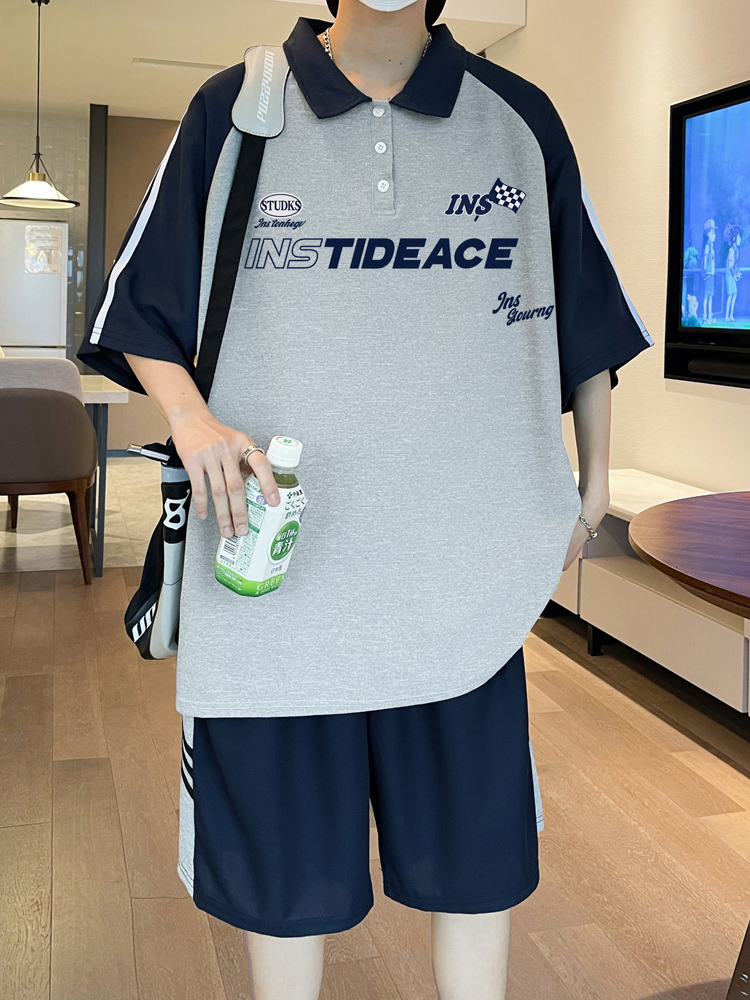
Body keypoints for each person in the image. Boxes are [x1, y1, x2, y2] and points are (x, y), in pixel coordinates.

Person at [78, 1, 654, 997]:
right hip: (274, 581)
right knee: (283, 886)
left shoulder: (517, 117)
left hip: (461, 579)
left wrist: (593, 482)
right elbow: (139, 304)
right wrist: (191, 417)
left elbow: (583, 311)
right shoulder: (237, 106)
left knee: (476, 871)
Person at [724, 222, 742, 322]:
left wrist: (738, 272)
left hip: (732, 274)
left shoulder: (736, 250)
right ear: (734, 238)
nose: (740, 239)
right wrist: (735, 275)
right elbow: (730, 266)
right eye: (738, 237)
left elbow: (735, 265)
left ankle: (731, 315)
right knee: (730, 295)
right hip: (729, 274)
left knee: (734, 294)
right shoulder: (732, 250)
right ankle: (727, 316)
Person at [702, 218, 716, 323]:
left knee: (710, 295)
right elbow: (705, 260)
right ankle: (705, 316)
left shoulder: (712, 247)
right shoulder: (707, 246)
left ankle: (709, 315)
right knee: (706, 295)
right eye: (712, 232)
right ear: (708, 234)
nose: (714, 235)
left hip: (712, 274)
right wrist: (705, 271)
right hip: (708, 274)